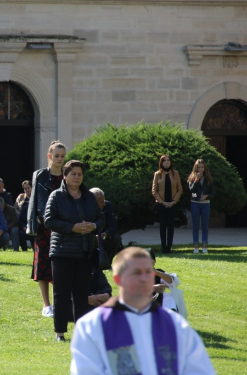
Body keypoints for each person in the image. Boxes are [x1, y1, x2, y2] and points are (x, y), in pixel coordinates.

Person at [70, 247, 215, 375]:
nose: (144, 278)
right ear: (118, 279)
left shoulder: (175, 324)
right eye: (136, 272)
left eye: (148, 272)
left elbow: (198, 369)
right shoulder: (92, 326)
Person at [44, 160, 105, 342]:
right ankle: (60, 332)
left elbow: (101, 219)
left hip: (85, 251)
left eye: (80, 174)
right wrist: (73, 228)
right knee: (61, 293)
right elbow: (49, 221)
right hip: (62, 251)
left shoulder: (89, 197)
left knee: (81, 294)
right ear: (65, 176)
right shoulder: (56, 196)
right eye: (73, 174)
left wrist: (93, 226)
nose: (77, 177)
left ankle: (81, 331)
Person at [27, 141, 66, 318]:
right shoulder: (40, 175)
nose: (60, 159)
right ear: (49, 156)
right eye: (56, 156)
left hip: (63, 226)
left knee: (61, 264)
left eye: (62, 156)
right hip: (43, 226)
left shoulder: (68, 175)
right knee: (42, 264)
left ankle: (61, 302)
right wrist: (31, 224)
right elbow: (34, 200)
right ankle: (46, 304)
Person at [152, 154, 183, 254]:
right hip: (161, 204)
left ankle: (169, 247)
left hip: (172, 204)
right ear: (161, 162)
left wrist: (174, 201)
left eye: (168, 160)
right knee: (162, 226)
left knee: (170, 226)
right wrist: (162, 202)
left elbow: (180, 189)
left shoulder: (175, 173)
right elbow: (154, 190)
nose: (166, 162)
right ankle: (163, 247)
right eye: (164, 160)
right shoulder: (157, 174)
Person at [146, 248, 187, 318]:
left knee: (169, 297)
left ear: (154, 262)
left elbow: (174, 282)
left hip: (156, 302)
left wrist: (157, 273)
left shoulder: (158, 273)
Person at [187, 159, 214, 254]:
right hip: (195, 203)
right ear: (196, 168)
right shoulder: (192, 178)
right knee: (195, 226)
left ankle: (204, 246)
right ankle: (196, 247)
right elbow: (192, 191)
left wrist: (207, 196)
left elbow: (212, 193)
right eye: (199, 167)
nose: (200, 169)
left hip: (205, 204)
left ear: (204, 167)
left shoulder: (208, 178)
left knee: (205, 226)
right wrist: (196, 179)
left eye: (202, 167)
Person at [90, 188, 122, 265]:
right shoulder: (85, 208)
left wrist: (104, 234)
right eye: (101, 202)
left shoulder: (107, 206)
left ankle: (107, 263)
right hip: (89, 236)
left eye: (104, 200)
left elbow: (114, 226)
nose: (104, 203)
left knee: (116, 238)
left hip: (103, 235)